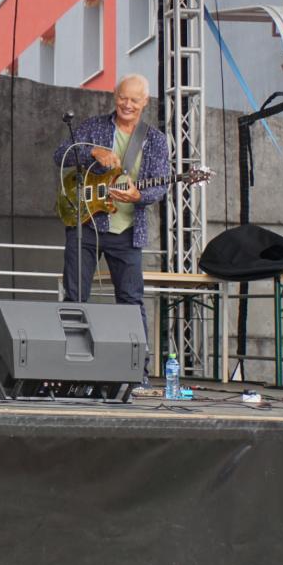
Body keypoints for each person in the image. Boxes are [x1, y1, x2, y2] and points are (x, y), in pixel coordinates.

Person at [52, 73, 170, 375]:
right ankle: (71, 369)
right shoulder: (94, 126)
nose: (127, 105)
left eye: (134, 100)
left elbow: (160, 186)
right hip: (87, 225)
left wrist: (138, 195)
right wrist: (92, 150)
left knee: (131, 301)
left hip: (127, 232)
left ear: (145, 102)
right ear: (114, 96)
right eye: (122, 98)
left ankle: (137, 372)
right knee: (75, 297)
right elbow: (60, 154)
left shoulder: (155, 140)